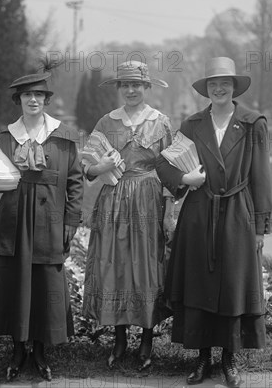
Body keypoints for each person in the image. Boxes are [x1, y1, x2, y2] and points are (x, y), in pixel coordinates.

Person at [156, 57, 272, 387]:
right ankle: (202, 358)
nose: (218, 88)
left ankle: (229, 359)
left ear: (234, 87)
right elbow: (163, 166)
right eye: (212, 84)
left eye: (224, 82)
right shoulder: (192, 124)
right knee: (200, 284)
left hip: (237, 212)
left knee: (233, 285)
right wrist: (185, 178)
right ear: (206, 89)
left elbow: (261, 177)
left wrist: (260, 225)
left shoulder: (253, 123)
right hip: (198, 213)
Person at [0, 69, 83, 382]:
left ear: (46, 100)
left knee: (44, 285)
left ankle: (41, 351)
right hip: (14, 220)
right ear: (18, 100)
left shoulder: (64, 136)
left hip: (49, 222)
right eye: (26, 96)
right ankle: (18, 349)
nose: (32, 100)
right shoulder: (7, 137)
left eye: (39, 96)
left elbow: (75, 181)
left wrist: (71, 220)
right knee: (16, 283)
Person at [81, 61, 174, 372]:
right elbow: (87, 168)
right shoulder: (106, 123)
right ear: (119, 89)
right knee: (116, 264)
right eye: (126, 85)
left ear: (147, 88)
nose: (132, 90)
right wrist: (101, 167)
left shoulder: (160, 123)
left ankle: (147, 338)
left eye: (137, 85)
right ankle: (119, 338)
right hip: (114, 201)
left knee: (147, 266)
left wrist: (168, 213)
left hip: (148, 200)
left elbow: (171, 171)